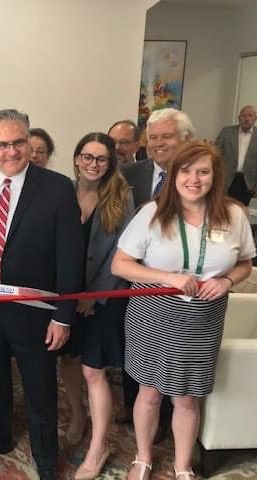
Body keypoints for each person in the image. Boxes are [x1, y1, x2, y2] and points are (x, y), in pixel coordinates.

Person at [112, 141, 255, 480]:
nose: (194, 179)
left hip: (202, 319)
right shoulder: (152, 212)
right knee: (149, 393)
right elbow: (120, 265)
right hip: (153, 314)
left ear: (214, 176)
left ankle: (182, 466)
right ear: (174, 175)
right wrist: (167, 277)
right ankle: (144, 457)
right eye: (186, 171)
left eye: (203, 171)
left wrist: (228, 281)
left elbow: (246, 263)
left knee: (187, 398)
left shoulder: (234, 214)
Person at [0, 109, 83, 480]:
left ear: (29, 143)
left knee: (40, 388)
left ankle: (46, 459)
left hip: (36, 313)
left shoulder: (57, 187)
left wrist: (64, 315)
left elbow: (70, 257)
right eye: (2, 144)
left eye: (18, 142)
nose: (11, 151)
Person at [57, 133, 133, 480]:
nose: (93, 164)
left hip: (105, 297)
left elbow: (124, 252)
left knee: (93, 370)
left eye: (101, 159)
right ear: (76, 158)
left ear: (110, 163)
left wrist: (95, 295)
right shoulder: (62, 192)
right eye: (87, 156)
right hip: (69, 295)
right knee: (69, 361)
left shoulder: (122, 196)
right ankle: (78, 415)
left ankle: (98, 445)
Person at [118, 108, 195, 429]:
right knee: (135, 351)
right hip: (132, 279)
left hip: (180, 288)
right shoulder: (129, 173)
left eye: (167, 136)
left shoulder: (198, 177)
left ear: (185, 139)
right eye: (153, 138)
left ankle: (163, 420)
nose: (158, 144)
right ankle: (132, 409)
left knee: (173, 360)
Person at [215, 105, 257, 205]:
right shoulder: (226, 132)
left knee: (241, 211)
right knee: (223, 208)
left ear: (255, 118)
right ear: (239, 118)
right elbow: (215, 153)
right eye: (243, 116)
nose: (246, 119)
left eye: (250, 115)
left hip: (248, 182)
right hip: (227, 179)